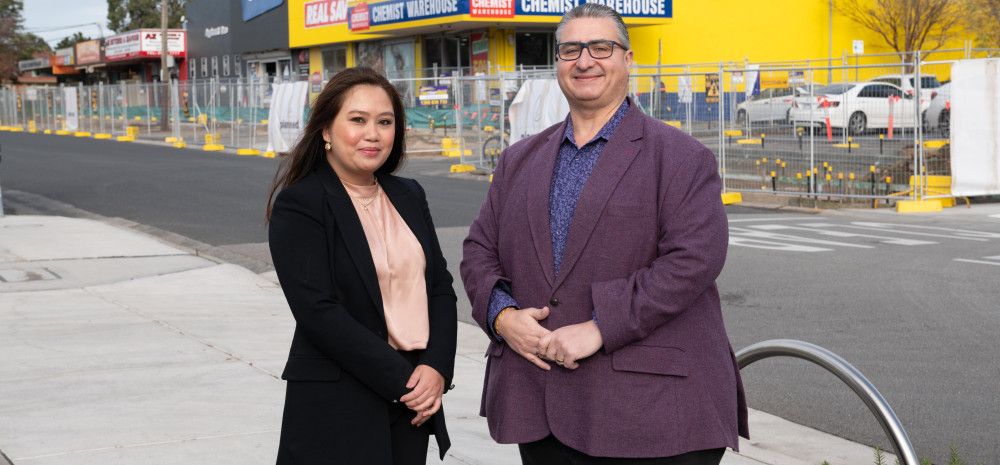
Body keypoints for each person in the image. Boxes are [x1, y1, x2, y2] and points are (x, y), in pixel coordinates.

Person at [460, 4, 749, 464]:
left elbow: (694, 259)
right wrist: (501, 316)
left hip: (654, 413)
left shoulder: (680, 157)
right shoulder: (519, 160)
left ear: (628, 59)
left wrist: (600, 326)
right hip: (541, 406)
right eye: (571, 49)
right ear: (558, 63)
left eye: (601, 47)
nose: (585, 60)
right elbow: (479, 251)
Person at [267, 67, 457, 465]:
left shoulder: (408, 194)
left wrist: (436, 367)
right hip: (340, 398)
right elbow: (318, 312)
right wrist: (406, 381)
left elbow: (439, 286)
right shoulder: (301, 203)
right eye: (358, 120)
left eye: (385, 122)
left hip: (413, 397)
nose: (373, 134)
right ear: (325, 131)